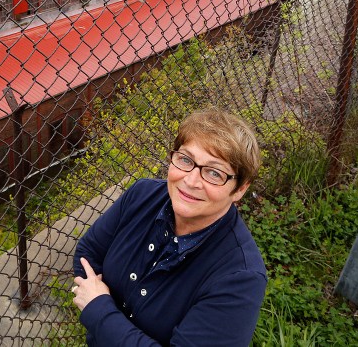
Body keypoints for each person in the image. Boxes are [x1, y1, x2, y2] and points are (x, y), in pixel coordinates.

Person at [72, 107, 267, 346]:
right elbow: (87, 255)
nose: (191, 181)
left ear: (240, 189)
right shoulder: (141, 195)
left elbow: (94, 298)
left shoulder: (240, 278)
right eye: (186, 160)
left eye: (214, 173)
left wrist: (100, 311)